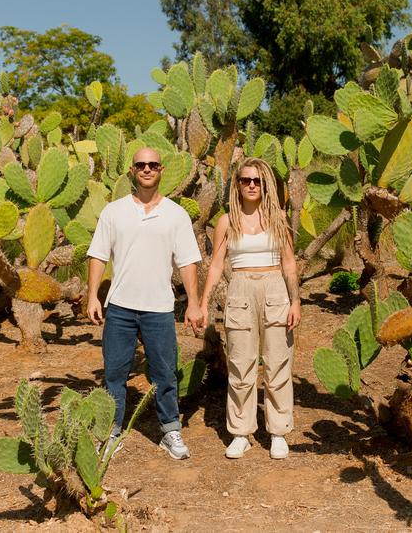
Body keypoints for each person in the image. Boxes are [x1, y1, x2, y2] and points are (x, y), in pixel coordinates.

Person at [86, 147, 205, 460]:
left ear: (162, 169)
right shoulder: (114, 211)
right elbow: (98, 255)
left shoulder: (176, 215)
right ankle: (110, 431)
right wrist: (92, 296)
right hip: (120, 307)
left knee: (165, 374)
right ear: (132, 171)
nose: (147, 169)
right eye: (141, 164)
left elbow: (189, 262)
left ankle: (170, 431)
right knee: (114, 373)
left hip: (159, 308)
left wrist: (193, 303)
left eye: (153, 164)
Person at [199, 157, 301, 460]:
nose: (252, 185)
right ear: (237, 185)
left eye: (257, 180)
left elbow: (290, 263)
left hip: (275, 289)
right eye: (246, 180)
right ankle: (241, 432)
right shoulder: (226, 221)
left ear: (265, 183)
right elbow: (217, 265)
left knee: (277, 364)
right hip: (240, 290)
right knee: (241, 366)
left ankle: (278, 431)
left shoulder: (278, 218)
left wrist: (296, 301)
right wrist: (203, 303)